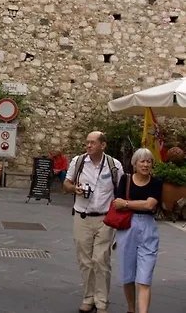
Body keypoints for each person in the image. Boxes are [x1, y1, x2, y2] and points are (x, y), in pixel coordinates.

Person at [63, 131, 124, 313]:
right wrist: (74, 188)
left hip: (105, 219)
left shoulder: (114, 165)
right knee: (85, 260)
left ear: (103, 145)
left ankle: (102, 302)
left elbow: (120, 190)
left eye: (92, 143)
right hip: (82, 217)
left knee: (101, 260)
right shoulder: (78, 162)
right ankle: (88, 298)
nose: (88, 146)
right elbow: (66, 184)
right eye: (87, 142)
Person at [113, 148, 162, 313]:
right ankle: (131, 309)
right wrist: (135, 204)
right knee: (127, 274)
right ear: (135, 164)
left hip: (148, 228)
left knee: (144, 277)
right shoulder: (125, 179)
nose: (146, 165)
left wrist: (127, 204)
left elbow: (150, 205)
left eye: (149, 161)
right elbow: (117, 203)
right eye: (142, 161)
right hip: (127, 227)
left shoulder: (156, 183)